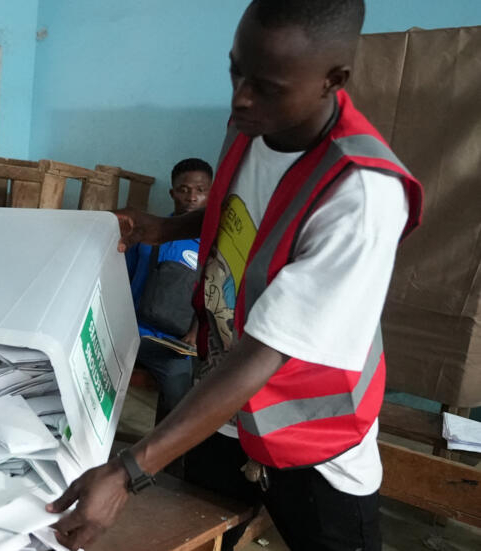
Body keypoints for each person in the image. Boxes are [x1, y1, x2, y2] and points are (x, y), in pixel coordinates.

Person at [47, 1, 424, 549]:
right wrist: (168, 226)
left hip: (311, 440)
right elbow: (245, 214)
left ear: (333, 81)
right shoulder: (254, 121)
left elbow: (265, 354)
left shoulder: (361, 194)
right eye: (235, 70)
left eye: (265, 85)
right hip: (223, 407)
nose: (240, 96)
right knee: (201, 533)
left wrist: (129, 469)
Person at [126, 158, 211, 425]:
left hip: (173, 343)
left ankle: (166, 463)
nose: (191, 197)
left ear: (211, 193)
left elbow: (211, 294)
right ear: (172, 192)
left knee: (179, 400)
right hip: (131, 333)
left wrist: (195, 334)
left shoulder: (210, 245)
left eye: (200, 190)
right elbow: (122, 281)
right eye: (184, 189)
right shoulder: (149, 235)